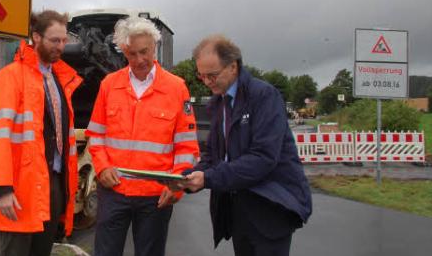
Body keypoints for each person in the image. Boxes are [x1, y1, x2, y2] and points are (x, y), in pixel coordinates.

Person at [174, 34, 312, 256]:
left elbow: (263, 158)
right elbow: (214, 156)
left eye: (213, 75)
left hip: (270, 210)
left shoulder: (264, 96)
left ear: (233, 67)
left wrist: (208, 178)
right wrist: (188, 176)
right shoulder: (219, 103)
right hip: (239, 211)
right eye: (202, 76)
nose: (207, 82)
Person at [86, 16, 200, 256]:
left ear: (155, 46)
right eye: (131, 54)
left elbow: (186, 146)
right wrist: (103, 167)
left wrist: (177, 185)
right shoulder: (109, 85)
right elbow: (96, 134)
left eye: (144, 52)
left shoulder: (176, 88)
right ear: (124, 52)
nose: (139, 60)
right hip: (114, 191)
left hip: (156, 196)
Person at [0, 10, 83, 256]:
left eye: (64, 41)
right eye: (54, 40)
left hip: (53, 184)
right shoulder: (10, 77)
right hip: (21, 188)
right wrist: (2, 189)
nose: (61, 47)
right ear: (36, 37)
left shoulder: (59, 79)